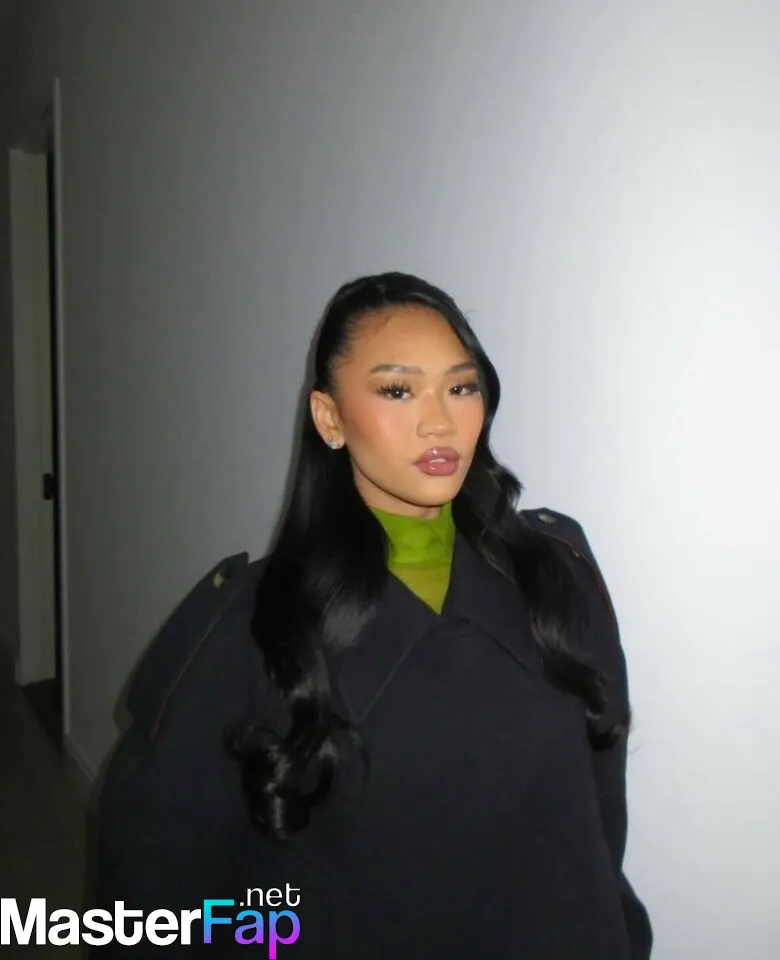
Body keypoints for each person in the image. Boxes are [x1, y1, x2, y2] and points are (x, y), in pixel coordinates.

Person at [93, 271, 653, 958]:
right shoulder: (249, 627)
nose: (440, 422)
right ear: (330, 418)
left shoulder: (555, 573)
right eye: (397, 390)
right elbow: (155, 887)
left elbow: (600, 820)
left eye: (461, 387)